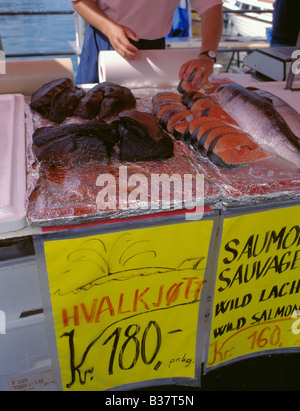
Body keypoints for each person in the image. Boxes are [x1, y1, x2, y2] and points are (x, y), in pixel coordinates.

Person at [71, 0, 223, 87]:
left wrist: (207, 56)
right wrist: (109, 28)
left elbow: (211, 6)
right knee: (85, 117)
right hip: (103, 39)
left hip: (155, 49)